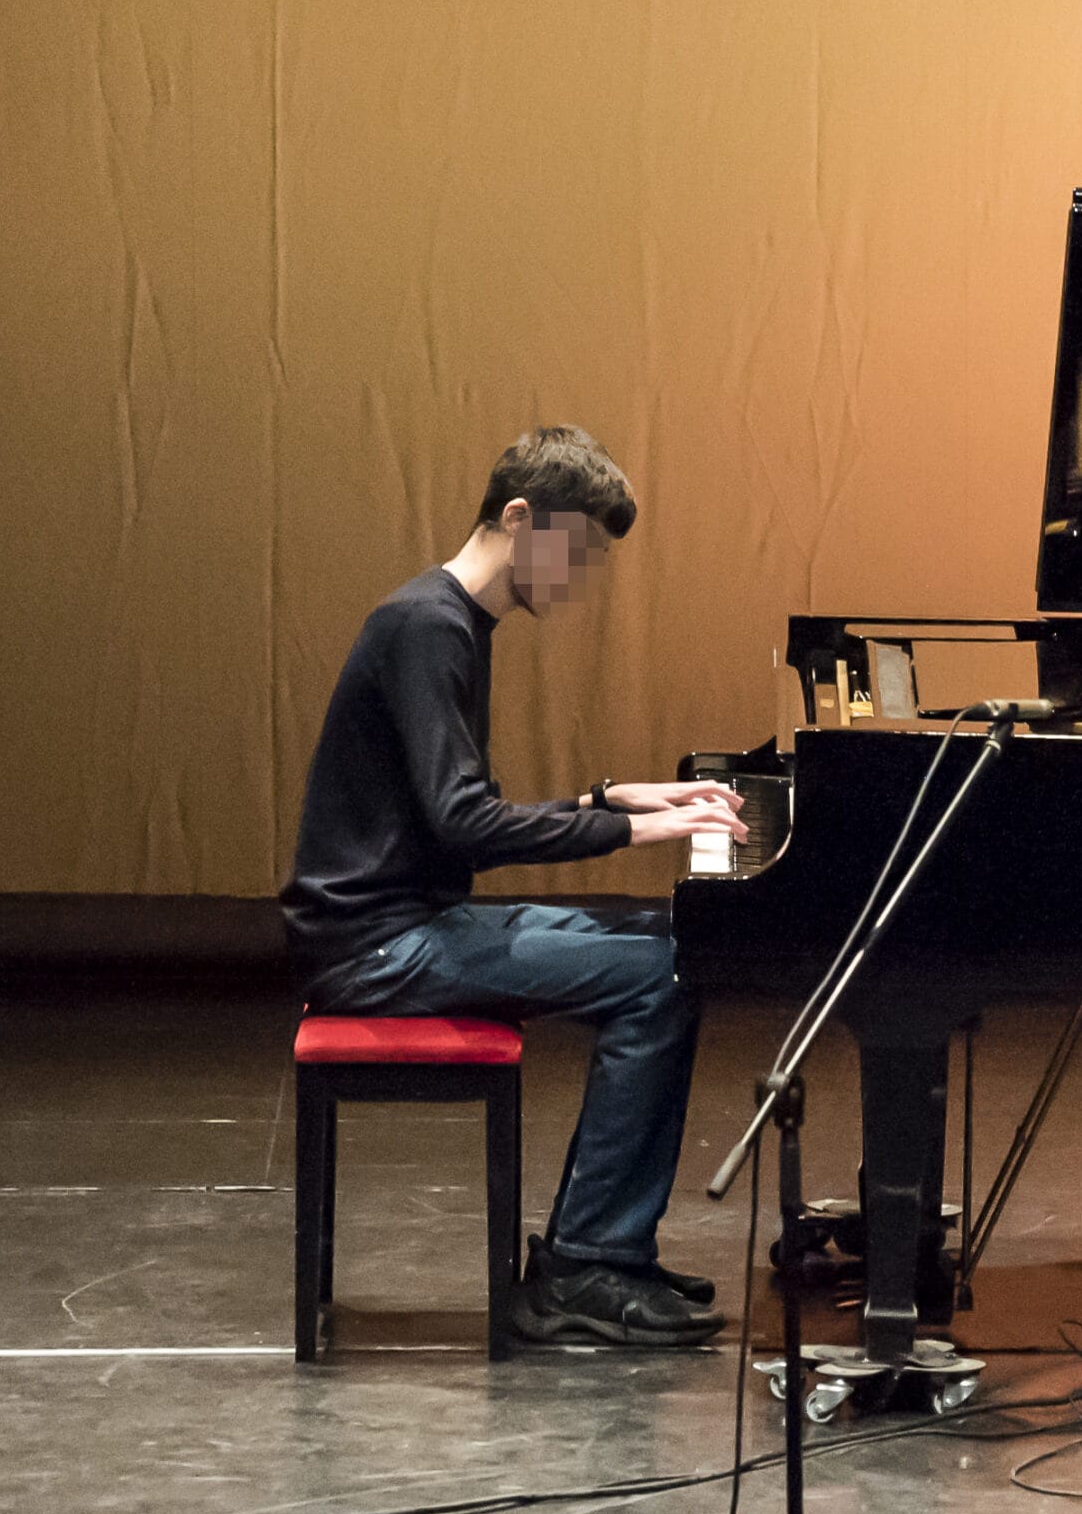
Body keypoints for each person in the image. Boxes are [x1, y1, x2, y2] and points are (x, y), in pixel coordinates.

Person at [280, 425, 749, 1347]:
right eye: (580, 552)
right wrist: (631, 828)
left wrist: (605, 798)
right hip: (374, 949)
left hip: (410, 924)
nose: (583, 579)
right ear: (522, 519)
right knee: (662, 976)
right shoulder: (427, 627)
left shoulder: (451, 621)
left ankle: (606, 1252)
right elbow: (467, 825)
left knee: (671, 940)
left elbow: (447, 817)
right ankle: (584, 1264)